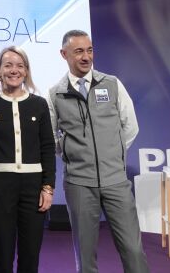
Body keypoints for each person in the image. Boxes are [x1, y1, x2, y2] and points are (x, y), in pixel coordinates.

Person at [48, 30, 149, 273]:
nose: (86, 57)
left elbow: (130, 126)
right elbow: (50, 137)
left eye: (89, 50)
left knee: (133, 250)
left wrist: (111, 152)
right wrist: (72, 152)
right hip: (79, 183)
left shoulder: (112, 84)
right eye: (79, 51)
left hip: (115, 180)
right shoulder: (55, 93)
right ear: (64, 55)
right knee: (85, 255)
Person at [0, 46, 55, 273]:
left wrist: (48, 187)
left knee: (30, 254)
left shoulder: (39, 104)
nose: (14, 70)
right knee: (2, 254)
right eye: (8, 65)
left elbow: (48, 147)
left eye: (20, 65)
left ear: (26, 71)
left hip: (32, 187)